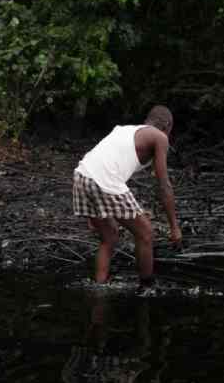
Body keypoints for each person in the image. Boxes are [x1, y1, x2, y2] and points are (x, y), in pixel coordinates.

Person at [72, 105, 181, 288]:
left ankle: (99, 288)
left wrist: (94, 210)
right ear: (168, 126)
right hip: (103, 181)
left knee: (109, 237)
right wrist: (174, 227)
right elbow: (164, 185)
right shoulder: (159, 137)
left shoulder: (124, 130)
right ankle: (147, 288)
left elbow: (107, 163)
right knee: (145, 233)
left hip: (81, 176)